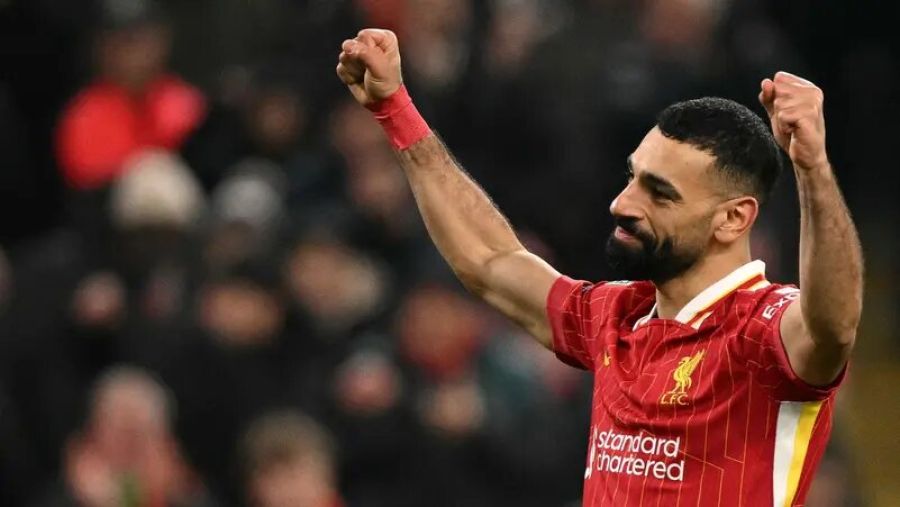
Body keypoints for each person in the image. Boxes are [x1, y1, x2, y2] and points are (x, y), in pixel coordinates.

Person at [335, 29, 863, 505]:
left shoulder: (764, 332)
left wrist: (813, 169)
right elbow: (490, 261)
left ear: (732, 219)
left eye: (659, 193)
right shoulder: (615, 315)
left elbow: (834, 323)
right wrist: (395, 109)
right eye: (633, 177)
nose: (623, 203)